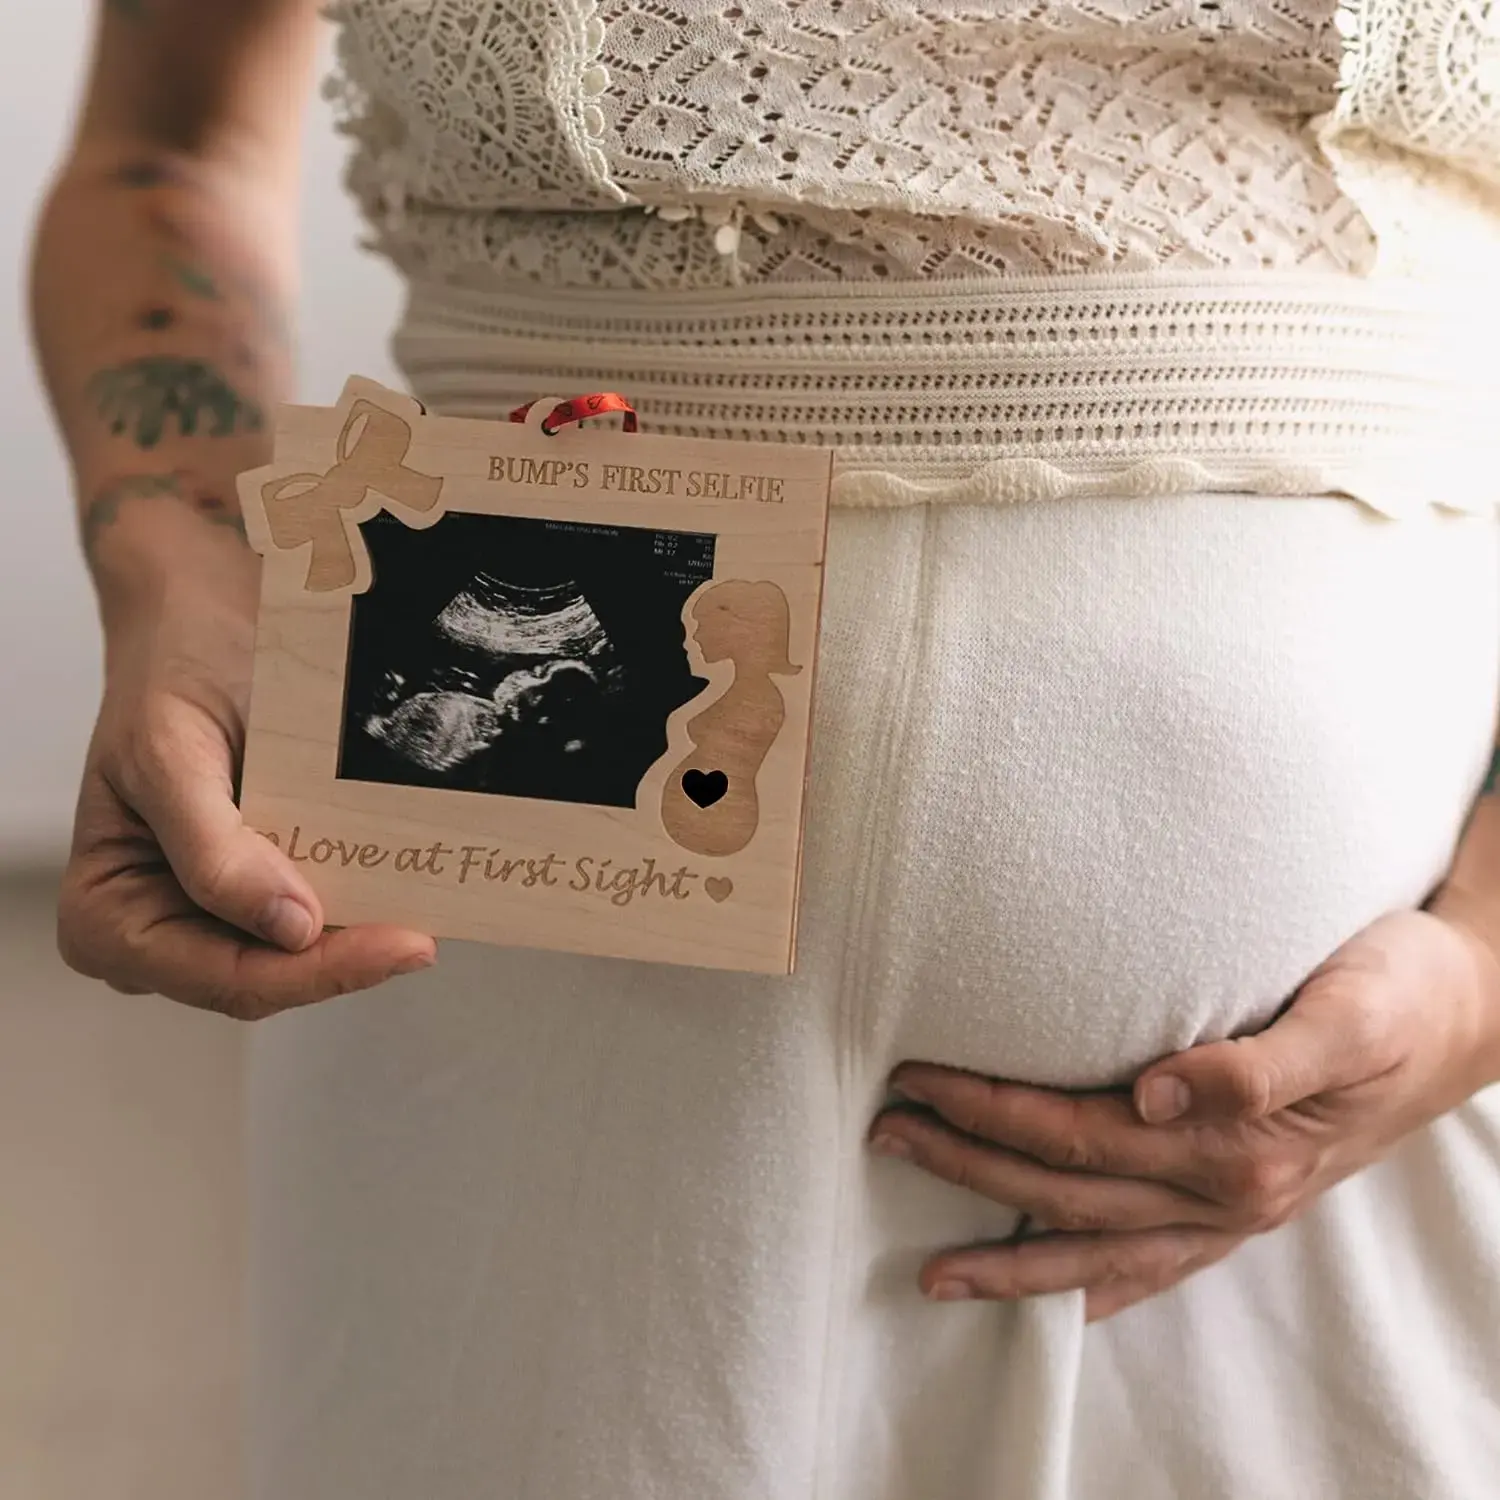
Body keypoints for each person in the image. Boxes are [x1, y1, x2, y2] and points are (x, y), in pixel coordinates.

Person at [30, 1, 1500, 1496]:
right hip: (526, 955)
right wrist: (177, 558)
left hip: (1346, 1086)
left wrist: (1493, 965)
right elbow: (172, 154)